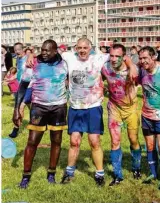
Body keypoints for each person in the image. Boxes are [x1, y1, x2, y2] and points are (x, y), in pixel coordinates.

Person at [53, 37, 137, 187]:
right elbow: (51, 53)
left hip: (93, 107)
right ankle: (69, 171)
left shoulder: (99, 58)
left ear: (90, 48)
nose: (82, 50)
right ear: (76, 48)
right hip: (75, 107)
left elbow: (121, 56)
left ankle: (99, 174)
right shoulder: (68, 56)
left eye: (85, 48)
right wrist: (31, 56)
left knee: (94, 142)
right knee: (74, 141)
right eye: (79, 48)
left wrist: (132, 66)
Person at [15, 39, 68, 189]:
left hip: (59, 107)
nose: (44, 53)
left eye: (47, 50)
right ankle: (25, 176)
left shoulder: (65, 63)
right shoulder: (34, 64)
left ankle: (51, 173)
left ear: (55, 50)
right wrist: (17, 109)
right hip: (39, 107)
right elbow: (22, 87)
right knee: (32, 142)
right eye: (42, 50)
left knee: (56, 141)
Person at [101, 44, 142, 186]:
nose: (113, 59)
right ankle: (118, 175)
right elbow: (98, 80)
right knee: (115, 141)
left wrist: (131, 65)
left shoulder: (132, 70)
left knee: (133, 140)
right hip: (114, 108)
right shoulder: (105, 68)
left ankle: (136, 168)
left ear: (124, 57)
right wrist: (103, 89)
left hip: (131, 109)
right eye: (111, 55)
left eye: (117, 56)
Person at [137, 46, 160, 190]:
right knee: (150, 146)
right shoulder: (141, 71)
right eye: (140, 58)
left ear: (154, 57)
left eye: (145, 58)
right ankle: (153, 173)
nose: (142, 61)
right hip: (146, 114)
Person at [9, 42, 33, 138]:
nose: (17, 52)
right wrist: (12, 78)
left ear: (22, 49)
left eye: (18, 50)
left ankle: (16, 129)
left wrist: (31, 53)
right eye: (15, 50)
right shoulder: (18, 59)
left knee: (20, 107)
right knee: (31, 107)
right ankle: (36, 123)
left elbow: (35, 55)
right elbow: (19, 72)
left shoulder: (28, 56)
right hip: (21, 87)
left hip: (29, 86)